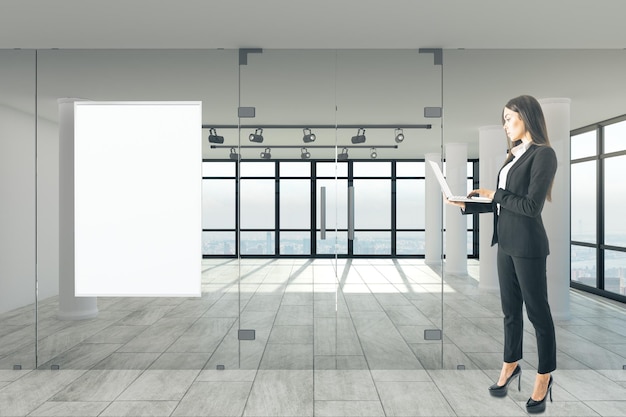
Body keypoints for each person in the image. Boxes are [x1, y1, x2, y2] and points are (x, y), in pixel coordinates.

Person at [447, 95, 557, 414]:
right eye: (504, 119)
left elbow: (530, 207)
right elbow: (503, 204)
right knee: (510, 313)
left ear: (527, 117)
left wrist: (496, 194)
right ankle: (510, 366)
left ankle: (544, 376)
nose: (505, 125)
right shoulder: (512, 158)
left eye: (510, 118)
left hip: (528, 246)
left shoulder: (543, 155)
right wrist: (468, 205)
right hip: (505, 245)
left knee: (538, 314)